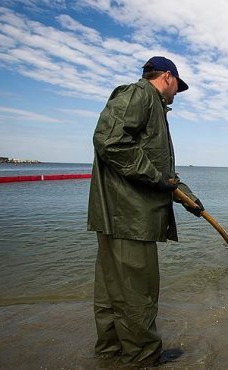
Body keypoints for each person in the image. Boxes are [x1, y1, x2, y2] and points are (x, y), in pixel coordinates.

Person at [87, 56, 204, 365]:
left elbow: (162, 172)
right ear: (167, 77)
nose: (178, 93)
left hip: (117, 216)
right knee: (138, 292)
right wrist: (156, 178)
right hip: (131, 217)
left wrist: (188, 198)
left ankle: (111, 351)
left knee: (113, 290)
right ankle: (142, 356)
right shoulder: (140, 95)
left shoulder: (149, 106)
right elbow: (110, 142)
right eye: (178, 86)